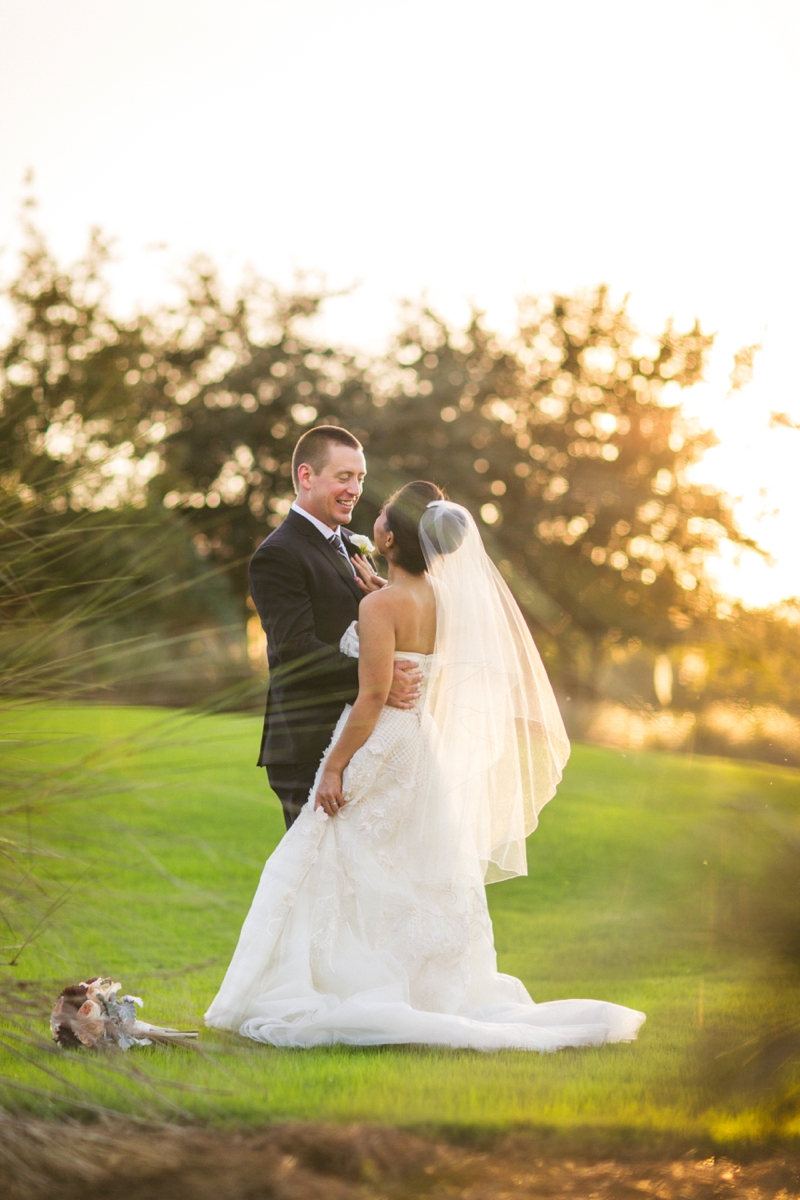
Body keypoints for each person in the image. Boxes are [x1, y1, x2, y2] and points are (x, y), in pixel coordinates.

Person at [206, 482, 645, 1050]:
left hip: (378, 743)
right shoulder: (444, 600)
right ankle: (422, 987)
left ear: (386, 537)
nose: (373, 514)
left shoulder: (379, 605)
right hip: (421, 748)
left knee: (337, 863)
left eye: (381, 514)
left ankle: (343, 982)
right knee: (412, 867)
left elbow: (371, 699)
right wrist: (382, 592)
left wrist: (336, 766)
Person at [249, 425, 422, 829]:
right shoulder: (278, 554)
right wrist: (377, 682)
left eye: (359, 478)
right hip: (309, 745)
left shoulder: (352, 545)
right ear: (307, 476)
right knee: (312, 878)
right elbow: (295, 650)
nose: (354, 489)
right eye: (343, 477)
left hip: (361, 739)